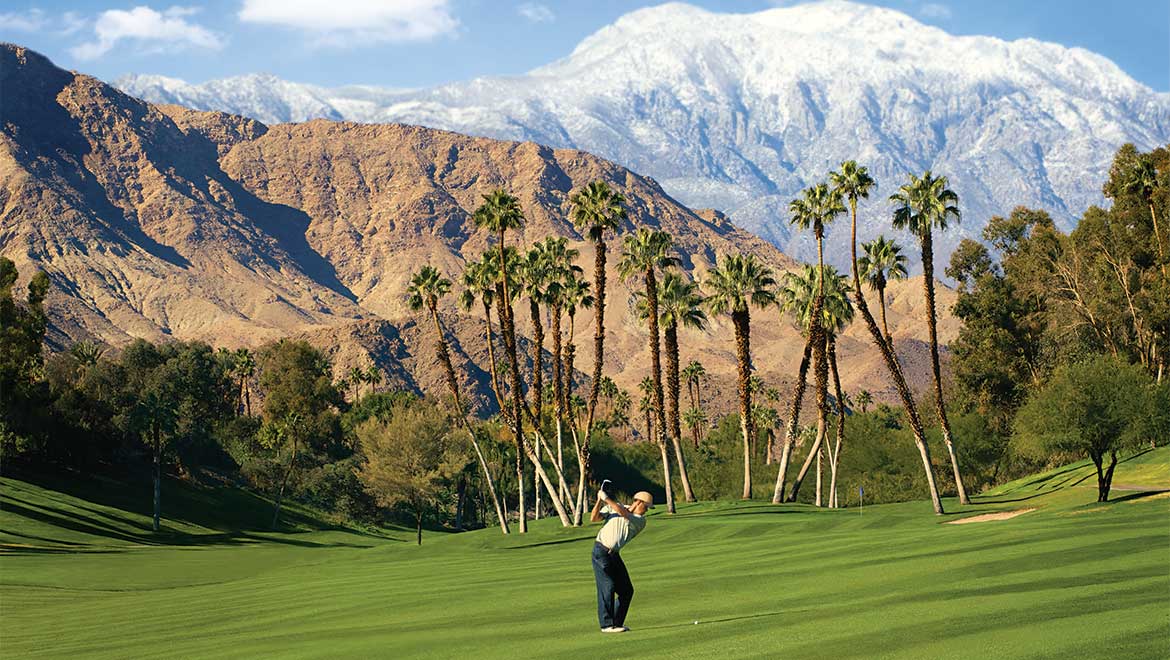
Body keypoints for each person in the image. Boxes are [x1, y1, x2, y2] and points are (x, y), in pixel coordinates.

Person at [590, 487, 654, 633]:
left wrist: (606, 498)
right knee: (608, 585)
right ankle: (606, 625)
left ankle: (617, 623)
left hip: (614, 554)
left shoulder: (640, 521)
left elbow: (623, 513)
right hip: (601, 551)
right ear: (638, 502)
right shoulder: (616, 508)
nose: (647, 510)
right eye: (646, 506)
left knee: (626, 590)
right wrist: (600, 500)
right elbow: (594, 518)